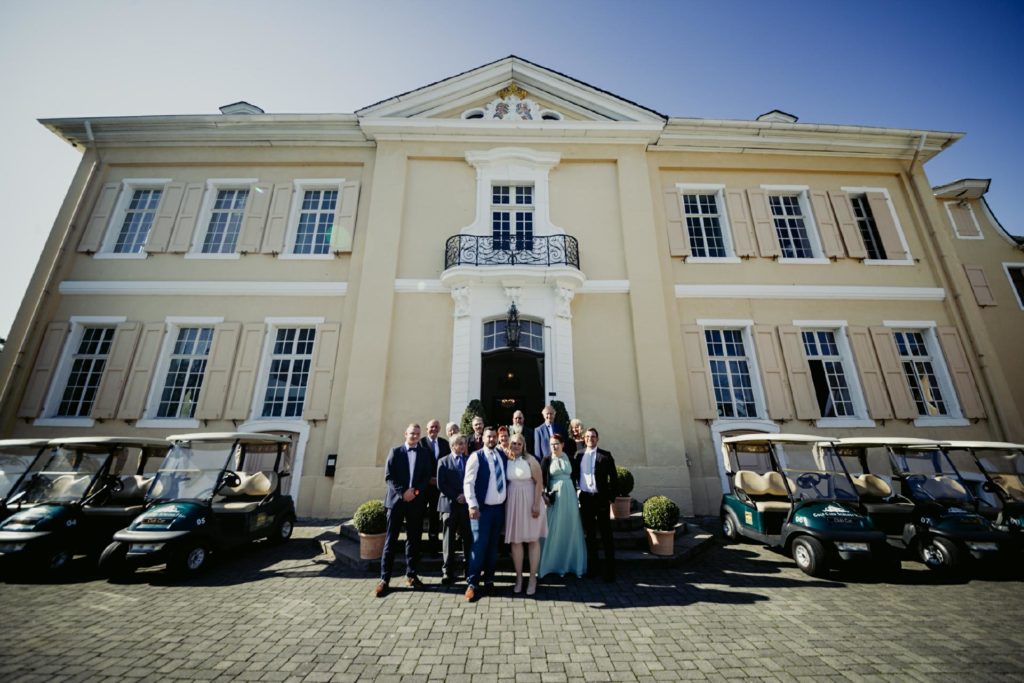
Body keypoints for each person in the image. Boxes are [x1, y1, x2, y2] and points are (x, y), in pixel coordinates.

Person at [376, 423, 433, 597]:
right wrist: (402, 493)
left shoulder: (424, 453)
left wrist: (414, 492)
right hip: (396, 502)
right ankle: (384, 579)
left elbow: (426, 477)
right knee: (391, 540)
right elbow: (389, 476)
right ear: (405, 434)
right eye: (412, 433)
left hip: (415, 502)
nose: (415, 436)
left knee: (414, 539)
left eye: (417, 434)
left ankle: (411, 574)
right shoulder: (395, 452)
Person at [463, 426, 507, 602]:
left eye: (494, 436)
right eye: (489, 436)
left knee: (492, 548)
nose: (491, 439)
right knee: (479, 547)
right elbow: (468, 482)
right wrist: (472, 505)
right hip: (482, 510)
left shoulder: (501, 455)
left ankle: (489, 580)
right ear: (483, 438)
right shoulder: (476, 456)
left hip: (499, 509)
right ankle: (472, 583)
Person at [538, 434, 587, 579]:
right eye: (552, 444)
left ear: (562, 444)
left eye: (557, 443)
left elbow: (578, 476)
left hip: (570, 496)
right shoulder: (546, 460)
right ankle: (550, 564)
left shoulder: (570, 458)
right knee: (553, 528)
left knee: (570, 527)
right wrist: (544, 495)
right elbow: (541, 480)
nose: (554, 446)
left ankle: (570, 564)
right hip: (555, 497)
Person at [504, 433, 546, 595]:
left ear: (523, 445)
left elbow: (539, 483)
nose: (515, 446)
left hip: (530, 501)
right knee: (516, 541)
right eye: (513, 443)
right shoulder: (507, 460)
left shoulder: (530, 460)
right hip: (513, 503)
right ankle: (519, 578)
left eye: (518, 444)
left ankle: (532, 578)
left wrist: (536, 504)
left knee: (532, 540)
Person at [573, 427, 618, 582]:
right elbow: (574, 475)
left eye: (593, 436)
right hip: (586, 499)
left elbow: (614, 477)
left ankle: (610, 569)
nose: (590, 439)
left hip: (601, 499)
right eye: (587, 436)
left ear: (597, 439)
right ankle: (593, 567)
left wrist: (611, 498)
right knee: (590, 534)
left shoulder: (605, 455)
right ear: (584, 439)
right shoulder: (578, 455)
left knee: (606, 534)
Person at [436, 434, 471, 585]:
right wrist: (456, 496)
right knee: (448, 540)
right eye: (460, 444)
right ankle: (447, 571)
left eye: (464, 443)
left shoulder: (470, 460)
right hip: (449, 505)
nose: (463, 446)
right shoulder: (443, 462)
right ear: (452, 446)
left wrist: (466, 496)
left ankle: (468, 569)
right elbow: (441, 484)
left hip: (466, 506)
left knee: (467, 539)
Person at [420, 419, 451, 550]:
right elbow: (418, 464)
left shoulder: (444, 443)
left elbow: (448, 464)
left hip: (438, 486)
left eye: (436, 427)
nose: (434, 429)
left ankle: (433, 544)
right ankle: (418, 544)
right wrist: (428, 479)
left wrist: (439, 479)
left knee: (434, 515)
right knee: (419, 514)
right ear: (427, 429)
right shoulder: (421, 443)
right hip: (422, 486)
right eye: (431, 427)